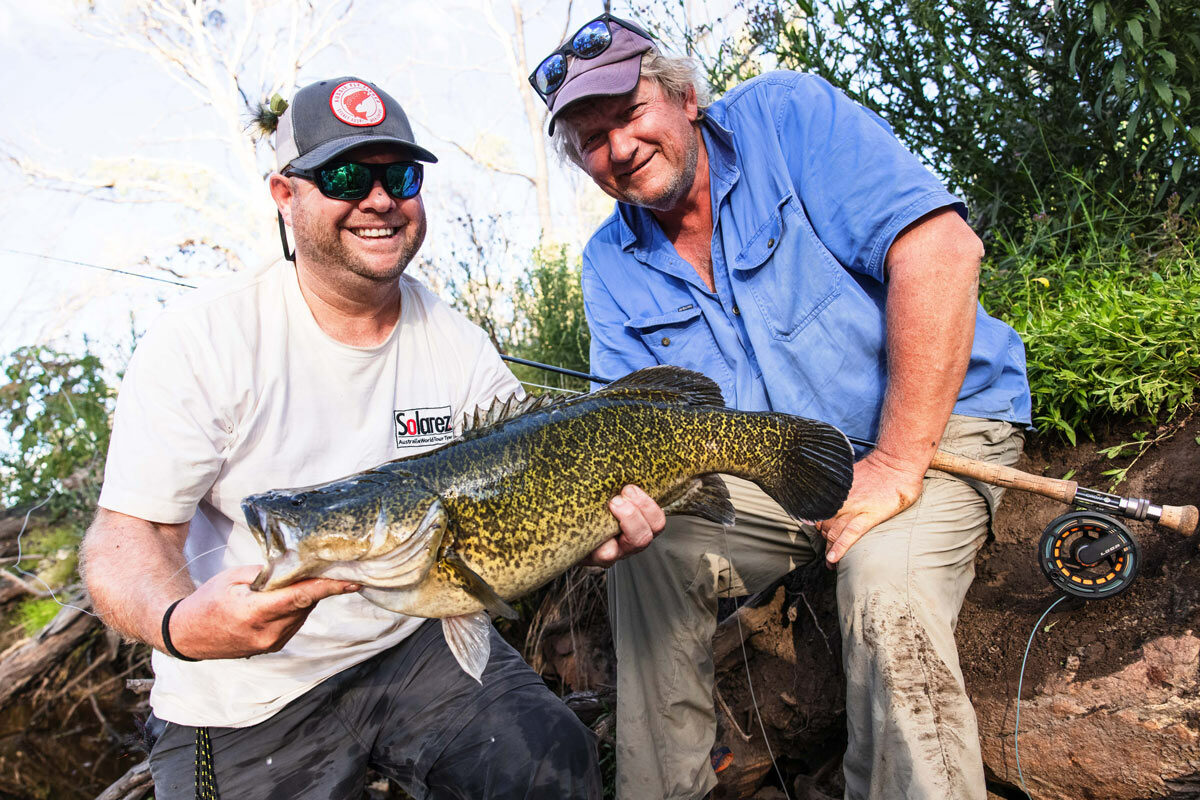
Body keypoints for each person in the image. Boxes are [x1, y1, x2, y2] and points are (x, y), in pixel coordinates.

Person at [80, 76, 664, 800]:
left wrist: (597, 529)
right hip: (245, 697)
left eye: (401, 175)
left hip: (413, 641)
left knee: (553, 764)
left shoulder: (454, 341)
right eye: (346, 175)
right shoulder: (204, 340)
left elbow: (534, 481)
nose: (380, 198)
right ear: (284, 195)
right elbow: (124, 538)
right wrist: (181, 624)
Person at [533, 15, 1033, 800]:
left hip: (936, 435)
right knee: (647, 558)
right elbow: (620, 429)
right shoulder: (607, 264)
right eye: (592, 141)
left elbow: (943, 251)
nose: (618, 148)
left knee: (883, 589)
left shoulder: (789, 117)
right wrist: (608, 518)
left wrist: (896, 462)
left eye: (629, 115)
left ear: (687, 97)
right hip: (775, 474)